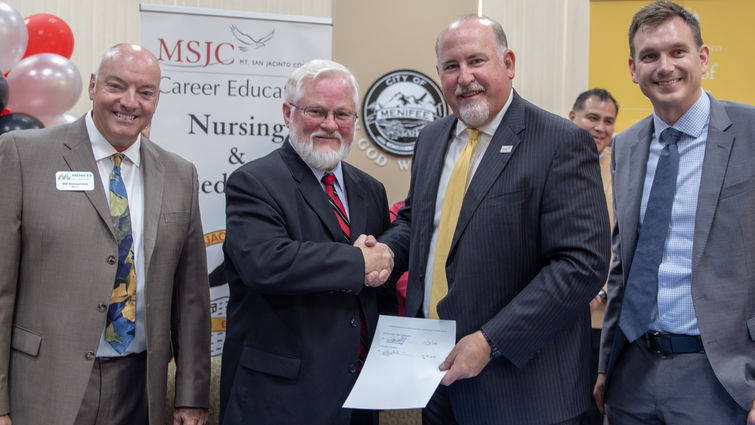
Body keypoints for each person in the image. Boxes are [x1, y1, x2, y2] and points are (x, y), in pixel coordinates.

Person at [380, 15, 610, 424]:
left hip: (522, 392)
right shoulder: (431, 139)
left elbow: (581, 266)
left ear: (508, 63)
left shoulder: (560, 141)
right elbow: (417, 221)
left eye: (476, 61)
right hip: (437, 379)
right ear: (439, 75)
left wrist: (490, 341)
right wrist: (385, 251)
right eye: (451, 66)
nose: (464, 76)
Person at [0, 43, 210, 425]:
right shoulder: (22, 155)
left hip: (138, 389)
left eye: (145, 92)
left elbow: (191, 297)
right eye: (117, 86)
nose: (130, 102)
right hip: (44, 386)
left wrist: (191, 395)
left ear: (156, 99)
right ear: (94, 86)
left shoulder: (180, 174)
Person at [594, 1, 755, 424]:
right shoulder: (626, 147)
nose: (664, 67)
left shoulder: (751, 133)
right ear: (633, 68)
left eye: (677, 52)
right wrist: (604, 365)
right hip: (631, 372)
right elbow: (623, 266)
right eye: (649, 56)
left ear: (702, 58)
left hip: (720, 376)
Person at [219, 59, 395, 425]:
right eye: (317, 111)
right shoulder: (253, 182)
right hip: (281, 401)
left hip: (359, 396)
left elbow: (378, 289)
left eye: (343, 114)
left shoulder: (371, 190)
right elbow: (268, 264)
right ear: (288, 112)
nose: (330, 124)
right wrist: (360, 263)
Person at [568, 88, 618, 425]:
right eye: (593, 118)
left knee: (592, 407)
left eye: (609, 121)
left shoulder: (622, 166)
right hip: (553, 313)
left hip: (599, 316)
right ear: (573, 118)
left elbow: (626, 241)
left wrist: (597, 291)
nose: (600, 127)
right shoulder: (549, 160)